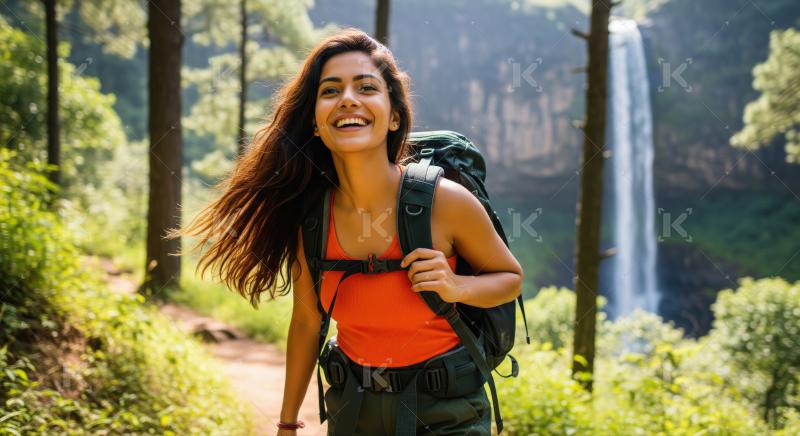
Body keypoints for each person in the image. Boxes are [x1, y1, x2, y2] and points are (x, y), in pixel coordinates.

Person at [174, 28, 523, 436]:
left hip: (446, 413)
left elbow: (510, 278)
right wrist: (287, 424)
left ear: (394, 116)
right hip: (354, 410)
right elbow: (306, 324)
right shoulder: (313, 218)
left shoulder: (445, 202)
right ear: (317, 123)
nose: (348, 100)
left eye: (366, 87)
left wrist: (456, 285)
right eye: (330, 91)